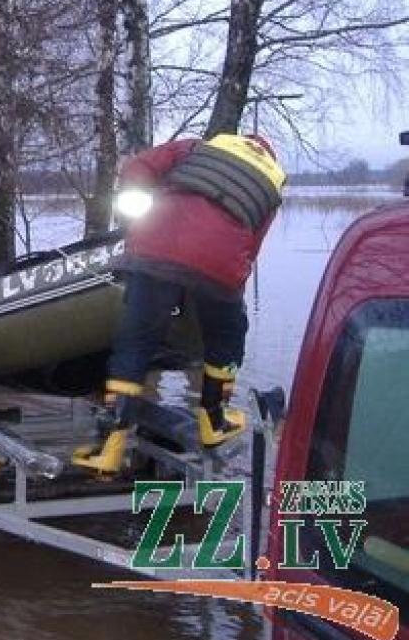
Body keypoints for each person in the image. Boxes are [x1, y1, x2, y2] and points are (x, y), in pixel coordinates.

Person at [73, 132, 286, 475]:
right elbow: (253, 243)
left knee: (136, 342)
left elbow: (137, 167)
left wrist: (138, 221)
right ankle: (213, 423)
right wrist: (230, 293)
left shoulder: (197, 147)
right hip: (221, 265)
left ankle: (110, 450)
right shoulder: (273, 183)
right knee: (227, 336)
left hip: (155, 247)